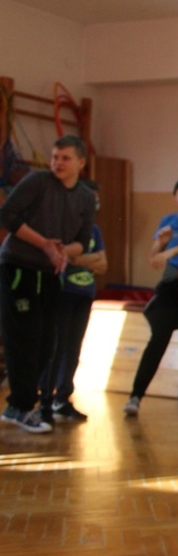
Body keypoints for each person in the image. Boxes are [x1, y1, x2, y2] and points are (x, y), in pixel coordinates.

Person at [0, 135, 95, 434]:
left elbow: (81, 242)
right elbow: (7, 216)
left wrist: (62, 251)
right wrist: (45, 244)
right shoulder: (37, 181)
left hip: (51, 272)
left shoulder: (85, 197)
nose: (58, 163)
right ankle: (20, 406)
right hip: (19, 266)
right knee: (23, 338)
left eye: (65, 158)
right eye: (55, 157)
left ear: (81, 163)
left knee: (46, 343)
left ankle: (23, 405)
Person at [123, 176, 178, 416]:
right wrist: (160, 244)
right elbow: (154, 257)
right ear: (175, 197)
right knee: (158, 339)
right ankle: (136, 396)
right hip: (171, 284)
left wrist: (170, 251)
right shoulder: (168, 221)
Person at [39, 178, 107, 422]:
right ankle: (45, 402)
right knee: (56, 348)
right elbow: (63, 257)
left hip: (85, 293)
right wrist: (89, 259)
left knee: (74, 347)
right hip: (62, 292)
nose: (94, 204)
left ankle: (63, 399)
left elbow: (103, 264)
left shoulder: (94, 230)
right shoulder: (62, 226)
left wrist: (81, 259)